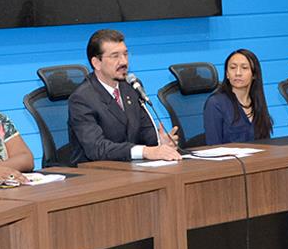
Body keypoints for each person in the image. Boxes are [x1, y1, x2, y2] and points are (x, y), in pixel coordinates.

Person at [67, 28, 181, 164]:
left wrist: (160, 142)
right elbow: (97, 148)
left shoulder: (131, 88)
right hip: (96, 175)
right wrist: (145, 151)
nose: (123, 62)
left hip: (131, 170)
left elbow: (145, 133)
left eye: (125, 54)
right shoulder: (82, 98)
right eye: (115, 56)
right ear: (96, 63)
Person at [203, 49, 274, 145]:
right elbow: (213, 147)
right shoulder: (216, 103)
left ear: (254, 74)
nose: (238, 73)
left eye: (244, 68)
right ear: (227, 74)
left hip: (257, 159)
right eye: (232, 68)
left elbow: (266, 144)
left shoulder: (257, 102)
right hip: (229, 159)